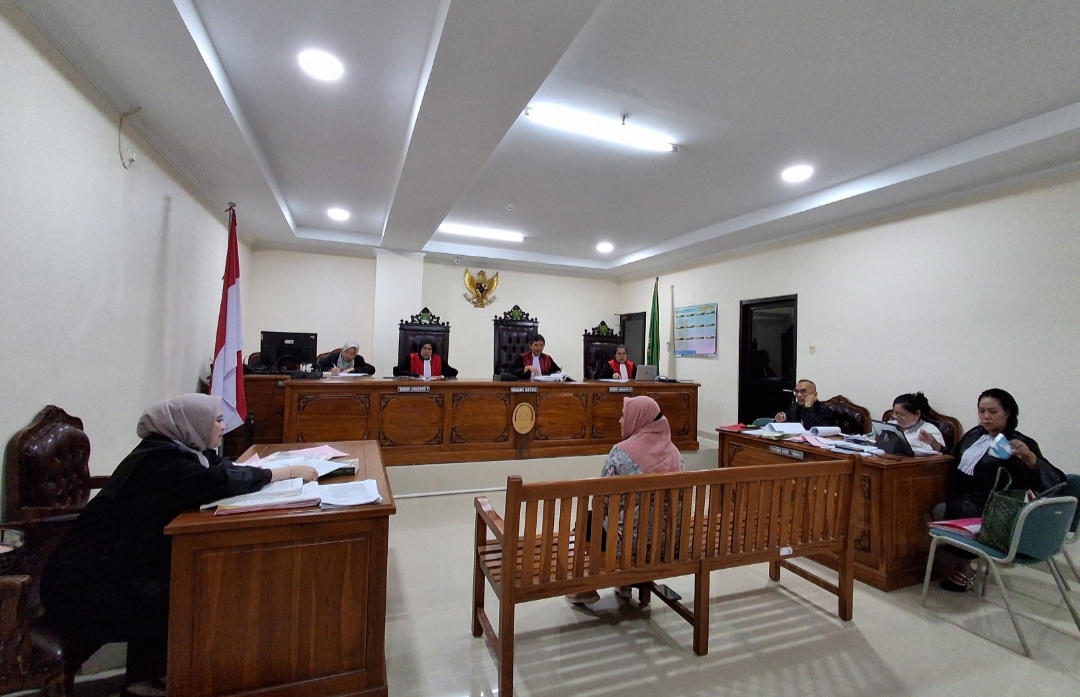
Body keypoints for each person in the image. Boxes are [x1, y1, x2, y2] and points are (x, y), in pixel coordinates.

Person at [40, 395, 318, 697]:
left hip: (109, 566)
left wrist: (252, 471)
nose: (224, 427)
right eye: (217, 420)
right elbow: (220, 480)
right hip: (84, 584)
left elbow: (218, 467)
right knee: (196, 591)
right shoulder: (163, 462)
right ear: (190, 424)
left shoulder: (170, 447)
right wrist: (287, 472)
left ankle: (148, 679)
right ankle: (157, 682)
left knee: (189, 579)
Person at [937, 388, 1065, 592]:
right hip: (963, 496)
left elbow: (1052, 481)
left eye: (993, 412)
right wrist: (935, 445)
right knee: (934, 505)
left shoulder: (1018, 442)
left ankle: (966, 569)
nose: (985, 417)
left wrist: (1029, 458)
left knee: (950, 510)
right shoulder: (975, 434)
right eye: (981, 411)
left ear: (1007, 413)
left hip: (992, 507)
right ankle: (943, 565)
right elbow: (956, 454)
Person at [567, 396, 684, 605]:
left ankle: (586, 587)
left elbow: (600, 501)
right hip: (669, 544)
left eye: (624, 416)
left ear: (638, 419)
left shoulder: (621, 455)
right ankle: (625, 584)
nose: (620, 421)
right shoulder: (675, 454)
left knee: (588, 521)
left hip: (630, 547)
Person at [393, 340, 459, 378]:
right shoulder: (411, 358)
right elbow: (396, 371)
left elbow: (454, 372)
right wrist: (416, 376)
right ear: (420, 349)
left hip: (434, 389)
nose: (426, 352)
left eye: (429, 349)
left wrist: (441, 376)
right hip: (415, 388)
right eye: (424, 348)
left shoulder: (438, 359)